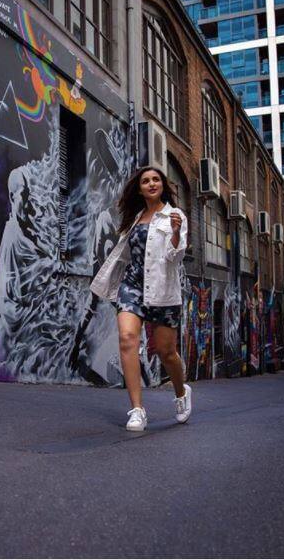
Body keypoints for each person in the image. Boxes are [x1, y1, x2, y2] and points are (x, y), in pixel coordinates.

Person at [90, 166, 191, 431]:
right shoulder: (135, 218)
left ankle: (181, 393)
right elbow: (126, 255)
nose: (151, 184)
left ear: (163, 185)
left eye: (156, 179)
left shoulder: (175, 215)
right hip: (132, 286)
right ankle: (137, 410)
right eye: (146, 181)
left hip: (162, 291)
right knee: (127, 338)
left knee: (167, 352)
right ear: (140, 188)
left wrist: (176, 232)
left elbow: (175, 257)